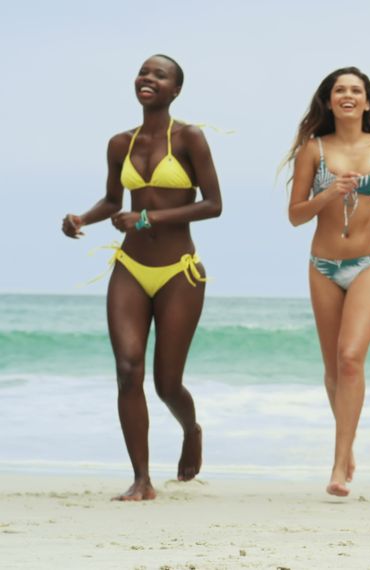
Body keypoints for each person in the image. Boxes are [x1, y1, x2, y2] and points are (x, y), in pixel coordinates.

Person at [61, 54, 223, 501]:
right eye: (144, 72)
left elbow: (213, 205)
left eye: (160, 74)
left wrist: (149, 218)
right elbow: (114, 201)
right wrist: (82, 218)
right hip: (130, 269)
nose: (148, 78)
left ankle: (191, 429)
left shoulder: (189, 138)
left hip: (179, 273)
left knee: (166, 383)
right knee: (127, 370)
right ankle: (142, 480)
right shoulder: (120, 143)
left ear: (175, 90)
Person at [285, 67, 370, 497]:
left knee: (350, 358)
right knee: (332, 369)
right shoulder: (314, 150)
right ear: (329, 101)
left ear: (368, 101)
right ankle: (348, 443)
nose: (347, 95)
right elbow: (295, 215)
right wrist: (328, 194)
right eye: (339, 90)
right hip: (323, 264)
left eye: (355, 90)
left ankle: (339, 463)